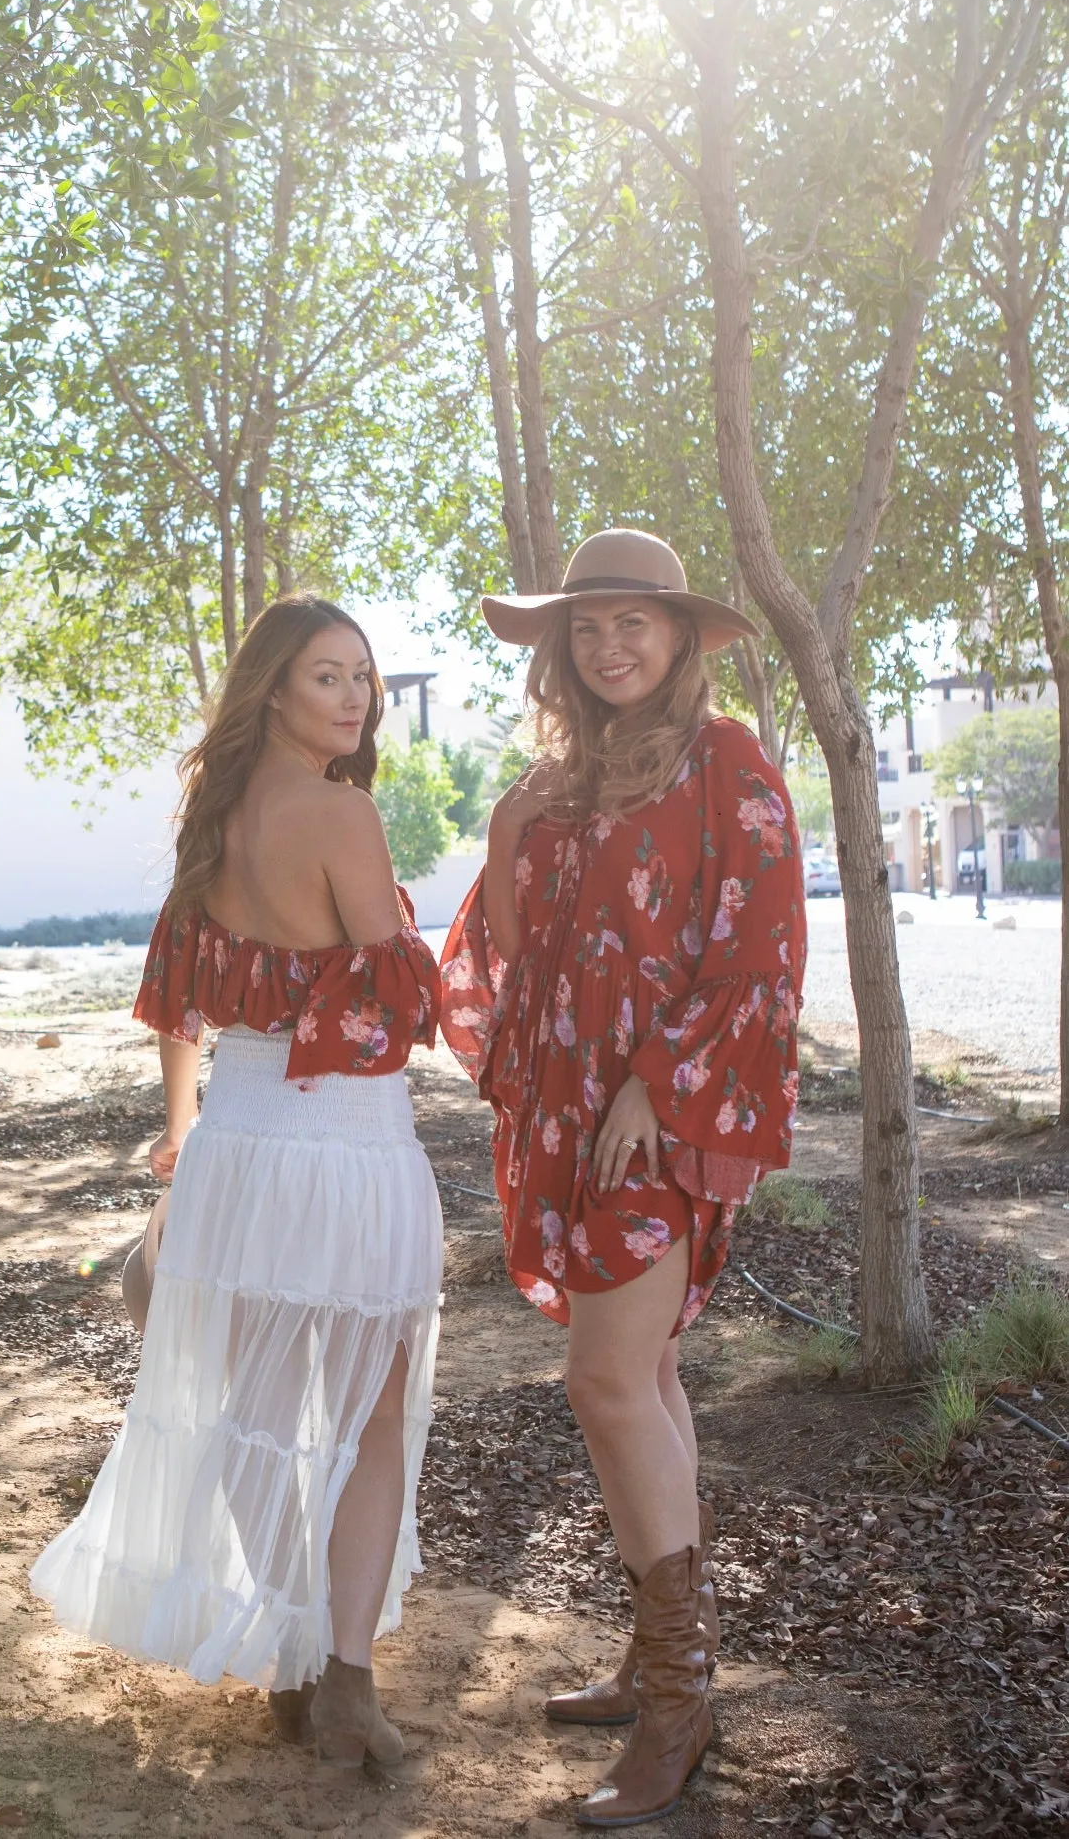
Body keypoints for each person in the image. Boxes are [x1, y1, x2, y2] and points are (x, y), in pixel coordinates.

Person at [31, 595, 444, 1771]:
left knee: (261, 1411)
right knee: (367, 1413)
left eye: (364, 675)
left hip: (239, 1138)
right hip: (345, 1141)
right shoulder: (342, 814)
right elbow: (397, 998)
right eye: (330, 676)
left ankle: (295, 1655)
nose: (357, 696)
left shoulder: (212, 825)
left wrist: (180, 1136)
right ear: (274, 691)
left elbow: (179, 1003)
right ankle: (347, 1679)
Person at [440, 530, 805, 1827]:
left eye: (632, 623)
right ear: (562, 647)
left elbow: (760, 944)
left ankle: (677, 1697)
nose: (609, 646)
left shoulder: (727, 764)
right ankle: (658, 1655)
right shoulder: (556, 783)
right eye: (586, 627)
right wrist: (501, 828)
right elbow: (513, 955)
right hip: (574, 1112)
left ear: (679, 636)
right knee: (643, 1377)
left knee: (601, 1377)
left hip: (660, 1113)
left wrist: (659, 1081)